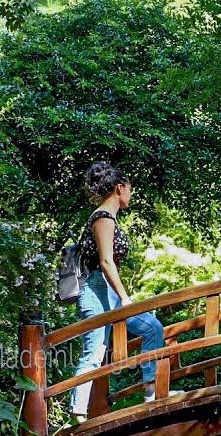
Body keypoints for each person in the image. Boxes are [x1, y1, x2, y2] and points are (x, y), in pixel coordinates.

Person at [69, 162, 170, 421]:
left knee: (152, 327)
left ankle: (151, 390)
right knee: (94, 352)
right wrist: (126, 298)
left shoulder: (109, 218)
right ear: (119, 187)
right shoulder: (102, 218)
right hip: (95, 290)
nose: (131, 194)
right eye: (130, 189)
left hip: (108, 292)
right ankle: (77, 413)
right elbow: (105, 262)